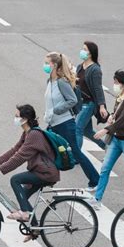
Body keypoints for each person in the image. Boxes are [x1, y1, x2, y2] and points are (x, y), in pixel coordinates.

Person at [0, 104, 60, 242]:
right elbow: (14, 150)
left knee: (15, 180)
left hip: (45, 173)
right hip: (41, 171)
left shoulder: (34, 135)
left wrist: (1, 168)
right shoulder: (27, 133)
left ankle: (25, 214)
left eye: (17, 116)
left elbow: (20, 157)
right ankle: (34, 229)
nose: (15, 118)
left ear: (25, 119)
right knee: (24, 197)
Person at [43, 52, 99, 191]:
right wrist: (48, 114)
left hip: (65, 124)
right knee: (47, 150)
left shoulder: (62, 82)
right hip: (53, 123)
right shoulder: (50, 81)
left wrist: (57, 110)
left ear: (54, 65)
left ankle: (95, 180)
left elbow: (72, 100)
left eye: (47, 63)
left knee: (75, 153)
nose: (44, 65)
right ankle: (47, 178)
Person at [88, 71, 124, 210]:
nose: (114, 85)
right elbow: (118, 116)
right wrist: (112, 116)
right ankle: (97, 199)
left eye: (116, 82)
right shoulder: (120, 98)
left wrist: (106, 129)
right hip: (116, 140)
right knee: (105, 168)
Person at [75, 41, 108, 150]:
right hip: (80, 103)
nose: (82, 51)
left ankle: (77, 155)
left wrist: (102, 106)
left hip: (89, 104)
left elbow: (98, 88)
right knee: (87, 131)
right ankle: (106, 147)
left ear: (91, 53)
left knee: (77, 128)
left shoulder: (95, 69)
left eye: (85, 49)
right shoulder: (80, 66)